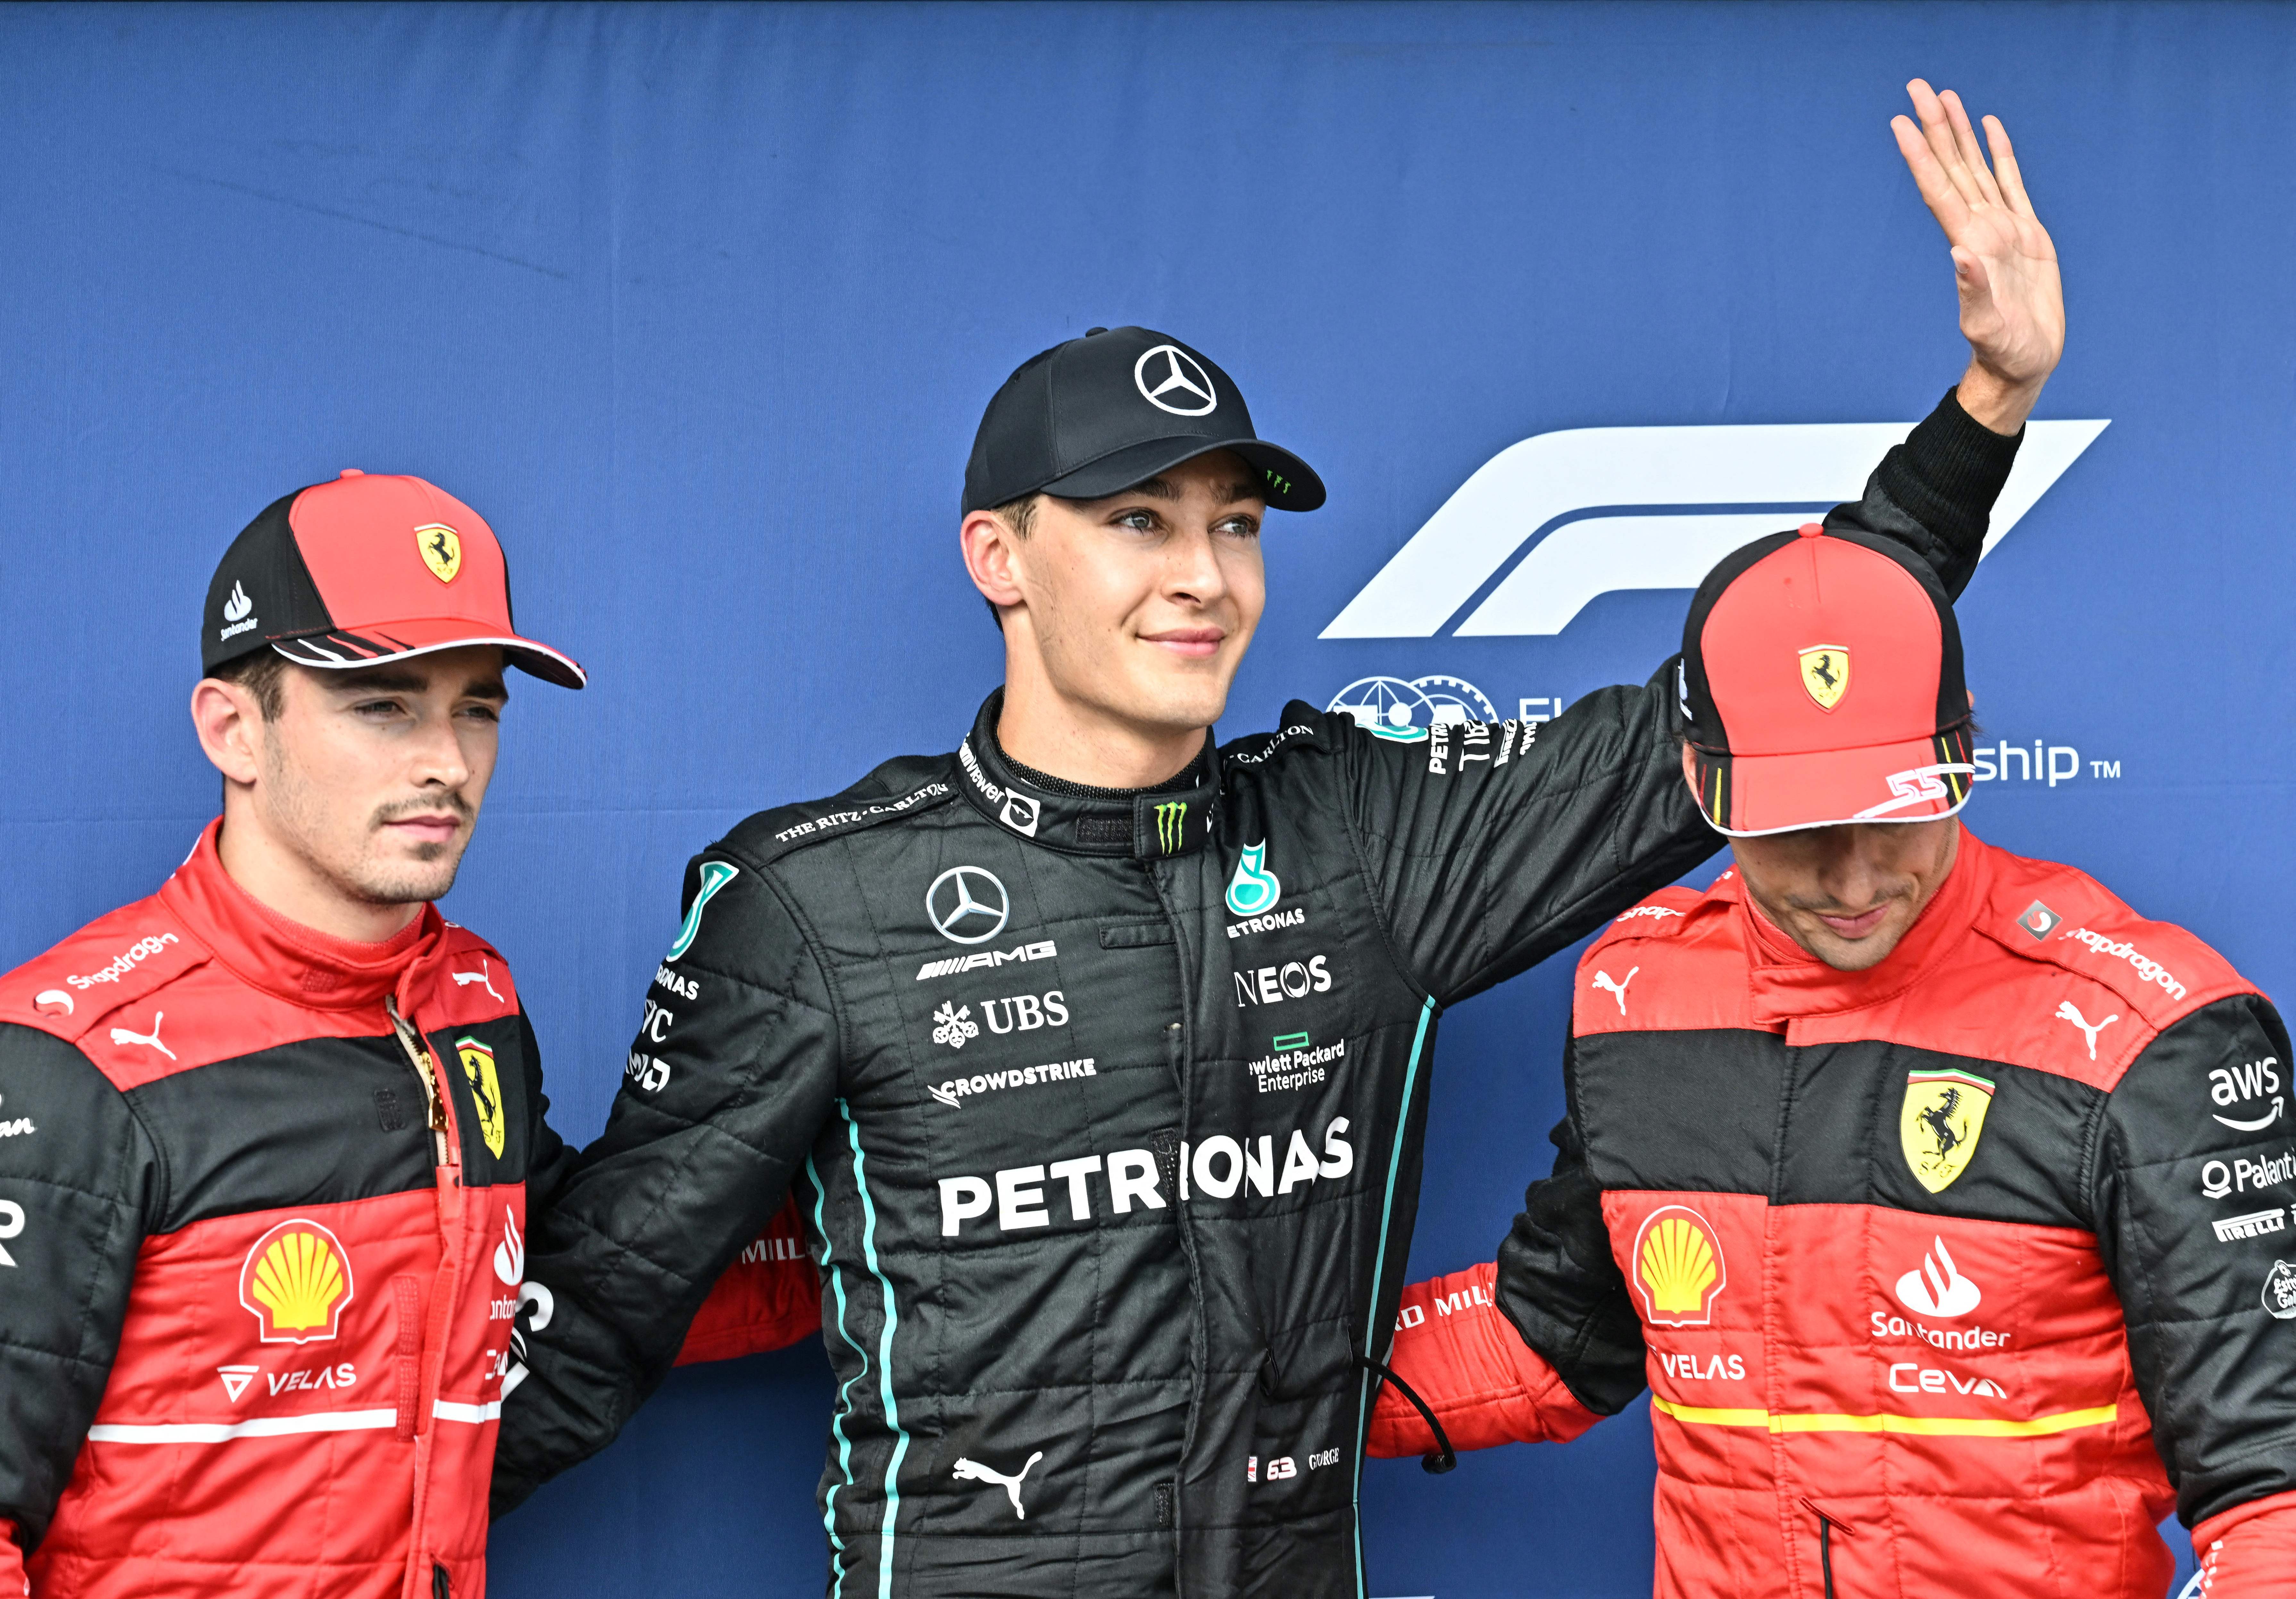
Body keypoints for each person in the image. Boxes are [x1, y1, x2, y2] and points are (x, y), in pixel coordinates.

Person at [493, 81, 2064, 1595]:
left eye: (1233, 526)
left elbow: (1764, 690)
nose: (1204, 576)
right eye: (1138, 522)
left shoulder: (1361, 839)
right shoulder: (815, 898)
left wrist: (1985, 411)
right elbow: (600, 1311)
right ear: (1000, 556)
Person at [1364, 525, 2296, 1594]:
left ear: (1966, 750)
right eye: (1797, 823)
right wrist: (1214, 1390)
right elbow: (1549, 1339)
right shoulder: (1637, 996)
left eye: (1893, 812)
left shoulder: (2150, 1029)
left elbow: (2270, 1489)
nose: (1852, 879)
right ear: (1698, 779)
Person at [0, 471, 591, 1597]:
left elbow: (586, 1270)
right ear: (235, 730)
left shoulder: (475, 1004)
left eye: (477, 706)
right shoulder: (67, 1057)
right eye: (384, 705)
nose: (447, 762)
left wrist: (895, 1221)